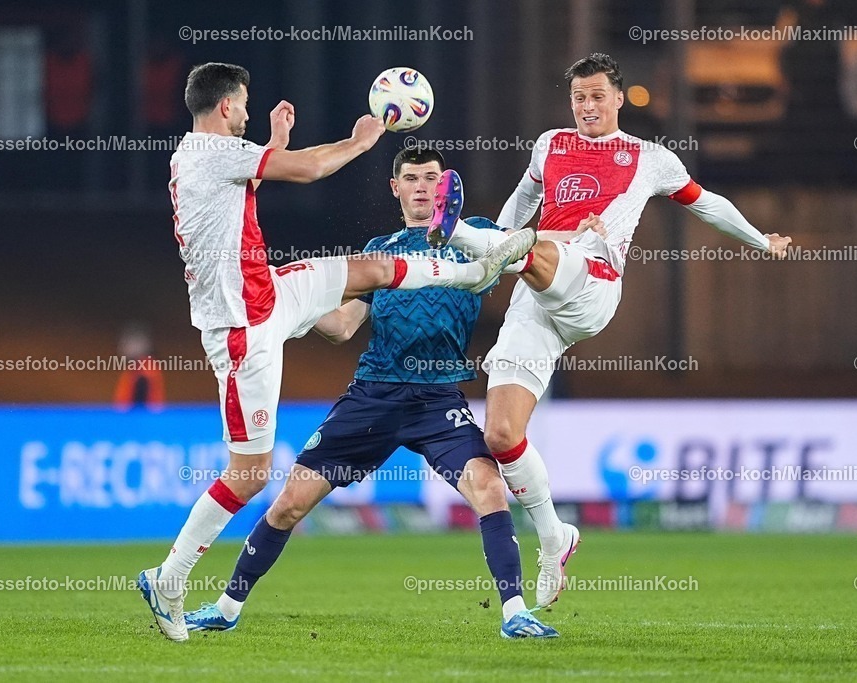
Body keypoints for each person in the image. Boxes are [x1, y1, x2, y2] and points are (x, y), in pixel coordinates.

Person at [138, 63, 536, 642]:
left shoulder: (196, 157)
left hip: (277, 295)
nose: (248, 113)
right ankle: (174, 579)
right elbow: (311, 170)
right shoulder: (210, 153)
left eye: (433, 178)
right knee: (253, 480)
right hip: (246, 326)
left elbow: (243, 191)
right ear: (225, 107)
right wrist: (360, 140)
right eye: (244, 105)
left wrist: (273, 143)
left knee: (373, 268)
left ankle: (473, 274)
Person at [182, 149, 604, 639]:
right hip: (372, 398)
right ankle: (226, 607)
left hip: (438, 400)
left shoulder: (472, 236)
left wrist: (577, 237)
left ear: (446, 187)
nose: (423, 187)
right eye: (412, 178)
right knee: (288, 504)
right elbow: (342, 327)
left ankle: (515, 613)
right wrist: (283, 306)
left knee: (491, 490)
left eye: (432, 178)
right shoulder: (379, 248)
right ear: (395, 188)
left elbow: (527, 245)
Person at [427, 53, 792, 608]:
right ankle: (555, 538)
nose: (588, 106)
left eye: (598, 95)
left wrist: (761, 241)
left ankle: (459, 238)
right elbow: (524, 201)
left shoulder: (650, 158)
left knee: (534, 246)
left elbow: (705, 203)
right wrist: (502, 236)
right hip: (536, 294)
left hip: (590, 282)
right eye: (579, 97)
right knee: (500, 434)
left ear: (619, 98)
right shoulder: (549, 144)